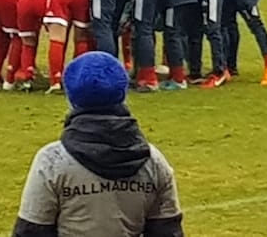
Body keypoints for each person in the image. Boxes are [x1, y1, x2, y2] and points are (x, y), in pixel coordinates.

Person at [12, 51, 184, 237]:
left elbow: (31, 231)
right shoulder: (154, 161)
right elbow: (168, 231)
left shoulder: (52, 161)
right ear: (122, 94)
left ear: (71, 99)